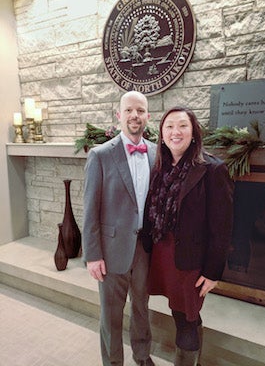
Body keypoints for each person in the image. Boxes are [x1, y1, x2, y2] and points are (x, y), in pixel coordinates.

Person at [142, 106, 234, 366]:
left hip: (190, 261)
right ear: (161, 133)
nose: (175, 132)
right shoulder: (159, 165)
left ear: (193, 132)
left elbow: (223, 226)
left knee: (186, 318)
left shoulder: (213, 170)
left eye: (182, 125)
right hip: (162, 254)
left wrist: (213, 272)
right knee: (178, 312)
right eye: (169, 126)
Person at [82, 91, 157, 366]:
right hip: (111, 250)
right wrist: (92, 255)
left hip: (145, 248)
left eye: (140, 111)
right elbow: (90, 208)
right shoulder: (100, 155)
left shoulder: (155, 153)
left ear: (147, 116)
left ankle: (142, 354)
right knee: (111, 314)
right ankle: (113, 362)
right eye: (129, 111)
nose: (134, 115)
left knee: (141, 307)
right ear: (119, 115)